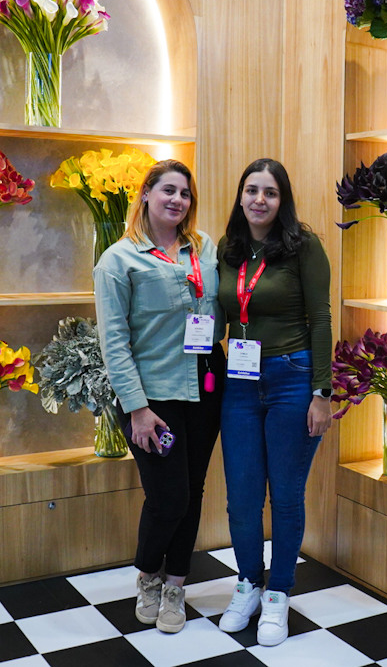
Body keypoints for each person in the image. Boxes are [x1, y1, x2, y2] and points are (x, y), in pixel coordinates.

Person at [94, 159, 225, 634]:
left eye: (185, 193)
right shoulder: (118, 260)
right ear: (146, 193)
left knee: (193, 491)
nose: (177, 200)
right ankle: (148, 575)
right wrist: (137, 409)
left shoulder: (204, 247)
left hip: (206, 386)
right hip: (153, 398)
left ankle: (176, 585)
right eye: (168, 190)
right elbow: (114, 342)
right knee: (168, 496)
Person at [214, 158, 333, 646]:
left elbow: (321, 318)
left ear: (282, 200)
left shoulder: (303, 246)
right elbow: (221, 313)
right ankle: (247, 583)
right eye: (251, 190)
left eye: (270, 192)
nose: (259, 200)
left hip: (292, 379)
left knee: (285, 495)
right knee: (241, 496)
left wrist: (322, 393)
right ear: (240, 196)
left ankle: (278, 591)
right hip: (240, 383)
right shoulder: (228, 248)